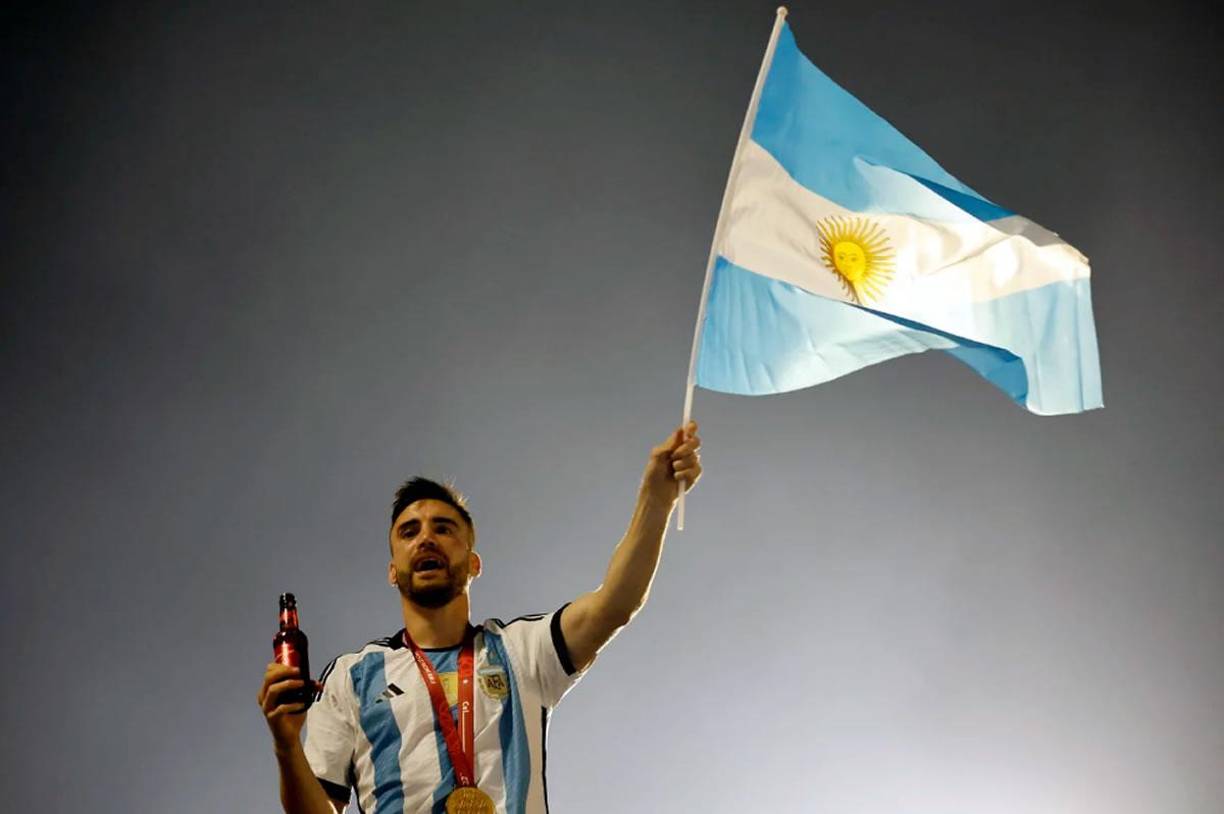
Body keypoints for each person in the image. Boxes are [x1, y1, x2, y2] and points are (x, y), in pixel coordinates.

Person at [258, 421, 702, 813]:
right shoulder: (352, 678)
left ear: (473, 562)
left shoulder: (522, 651)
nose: (426, 539)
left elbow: (615, 604)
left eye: (444, 528)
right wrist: (284, 746)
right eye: (409, 532)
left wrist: (656, 500)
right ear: (392, 571)